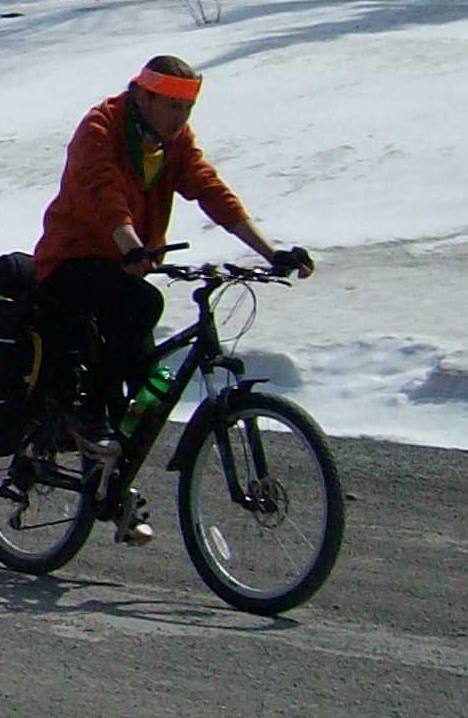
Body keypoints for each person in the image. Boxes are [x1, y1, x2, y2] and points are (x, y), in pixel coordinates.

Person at [32, 56, 311, 542]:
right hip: (70, 263)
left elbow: (210, 190)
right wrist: (130, 245)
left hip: (125, 266)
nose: (182, 118)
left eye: (189, 107)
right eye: (174, 106)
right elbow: (103, 193)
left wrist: (271, 253)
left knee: (151, 385)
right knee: (142, 305)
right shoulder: (100, 128)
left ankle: (111, 484)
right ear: (144, 97)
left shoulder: (171, 142)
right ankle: (87, 416)